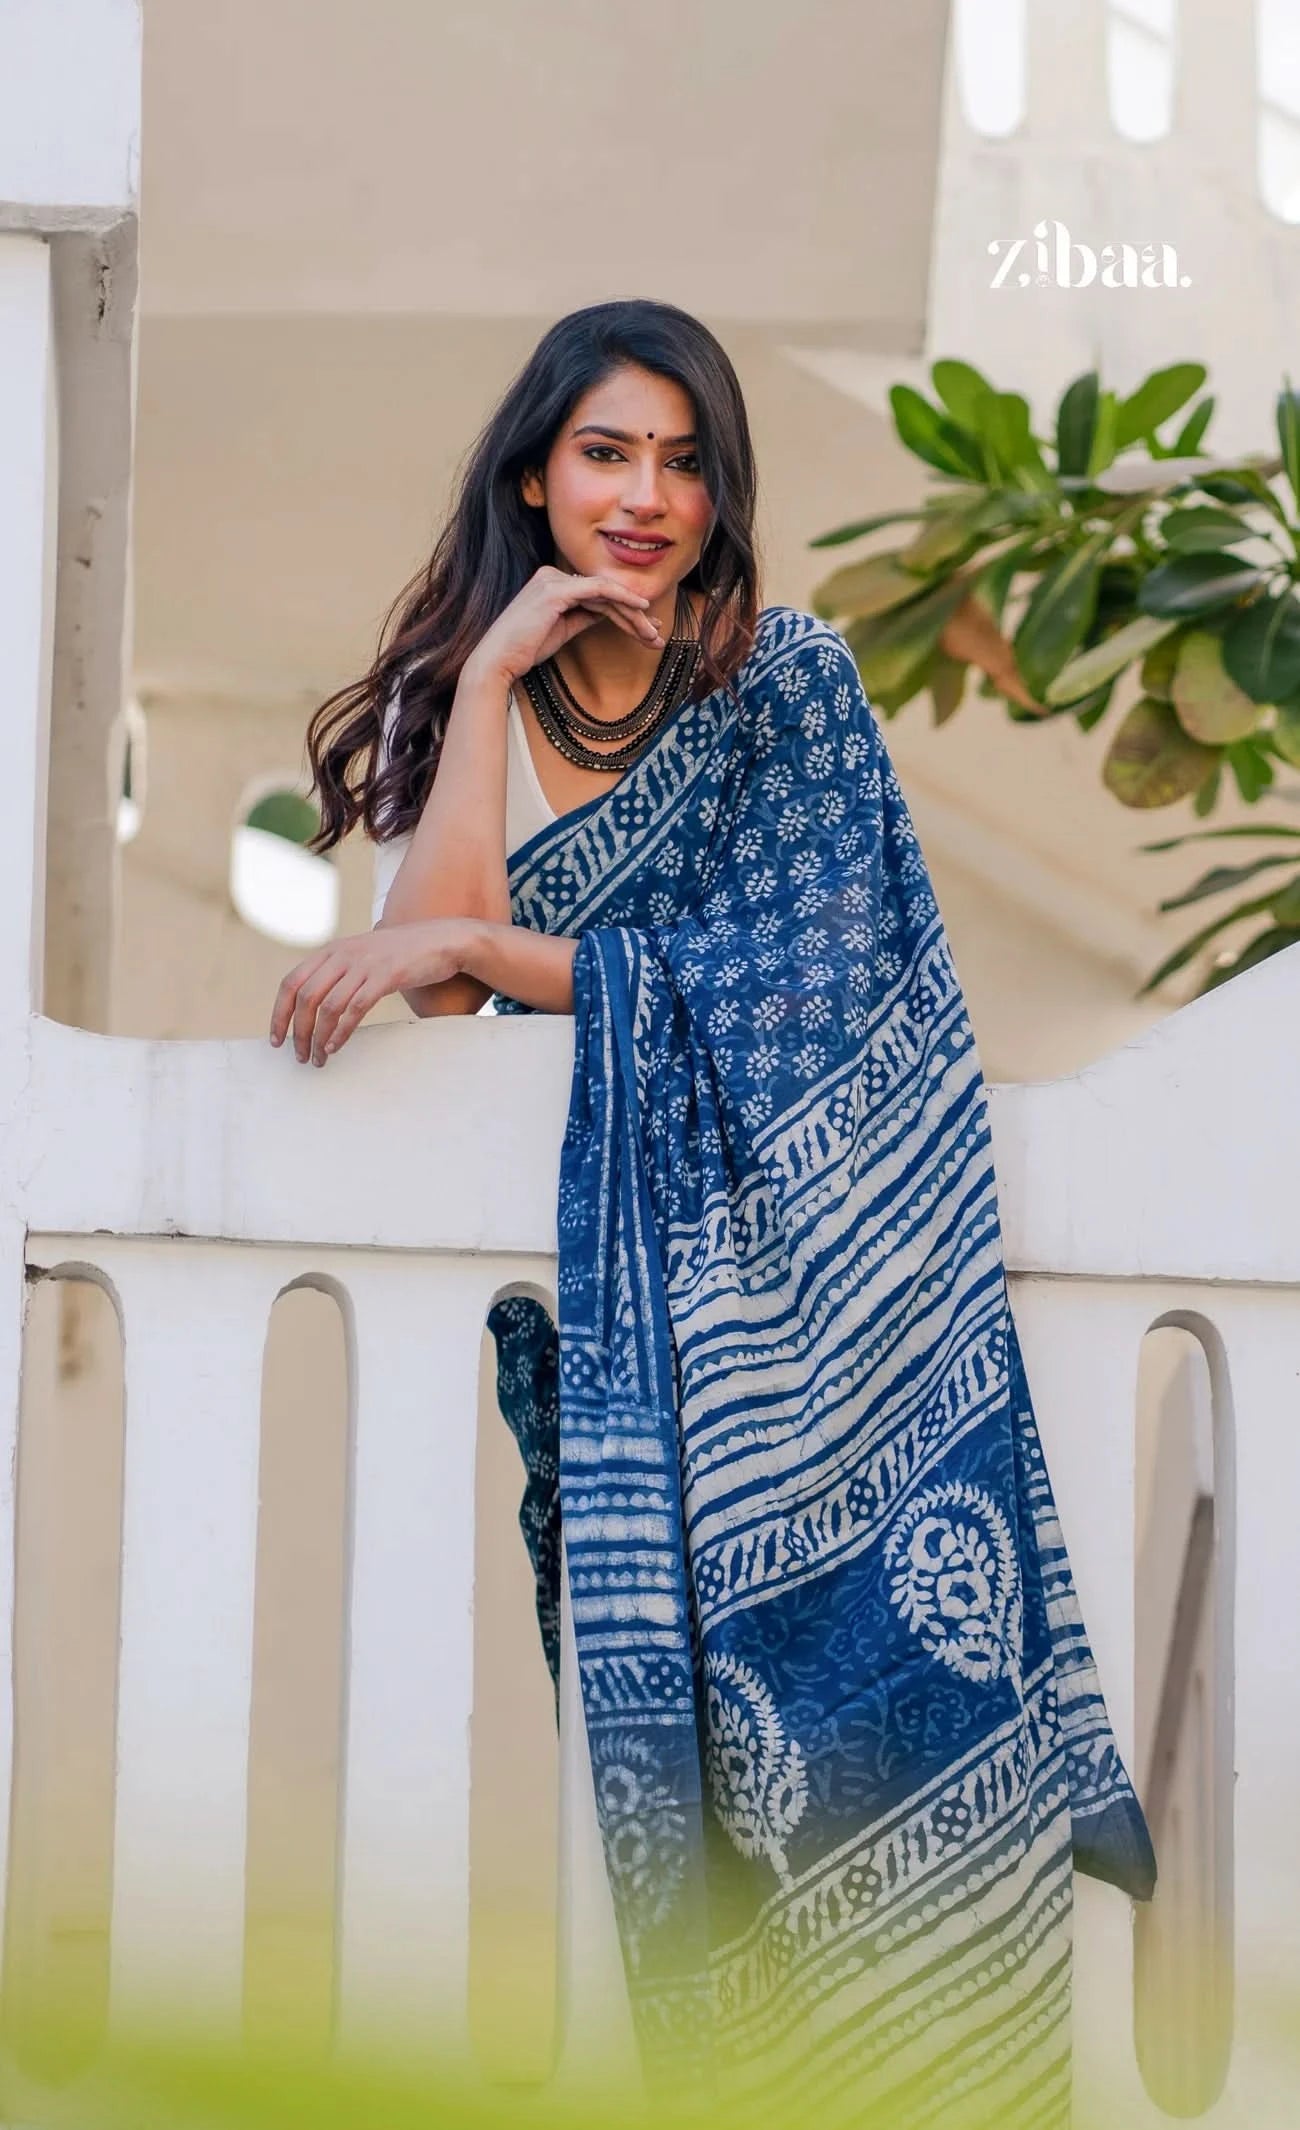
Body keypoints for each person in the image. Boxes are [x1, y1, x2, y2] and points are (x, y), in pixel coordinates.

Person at [269, 300, 1155, 2127]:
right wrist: (494, 681)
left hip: (839, 1325)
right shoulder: (475, 702)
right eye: (608, 451)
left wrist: (467, 939)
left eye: (684, 459)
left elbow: (813, 979)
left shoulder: (789, 683)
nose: (648, 494)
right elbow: (438, 997)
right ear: (537, 469)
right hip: (626, 1332)